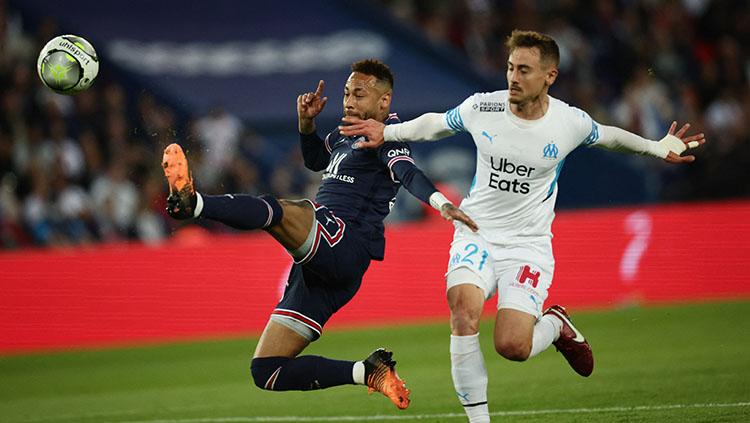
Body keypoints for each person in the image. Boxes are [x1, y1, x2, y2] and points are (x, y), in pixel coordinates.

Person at [339, 31, 705, 422]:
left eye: (524, 70)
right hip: (476, 231)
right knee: (463, 310)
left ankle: (556, 325)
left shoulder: (568, 122)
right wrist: (388, 132)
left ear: (549, 76)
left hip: (528, 245)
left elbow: (608, 137)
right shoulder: (484, 107)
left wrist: (655, 146)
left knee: (513, 346)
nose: (513, 77)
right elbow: (437, 124)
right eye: (511, 67)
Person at [161, 59, 478, 410]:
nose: (349, 101)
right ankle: (367, 371)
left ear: (384, 101)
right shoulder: (345, 134)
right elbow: (315, 159)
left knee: (279, 211)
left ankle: (196, 204)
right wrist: (306, 123)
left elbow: (407, 172)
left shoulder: (388, 135)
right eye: (346, 93)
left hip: (344, 242)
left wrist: (440, 203)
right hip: (323, 269)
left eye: (359, 93)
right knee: (266, 370)